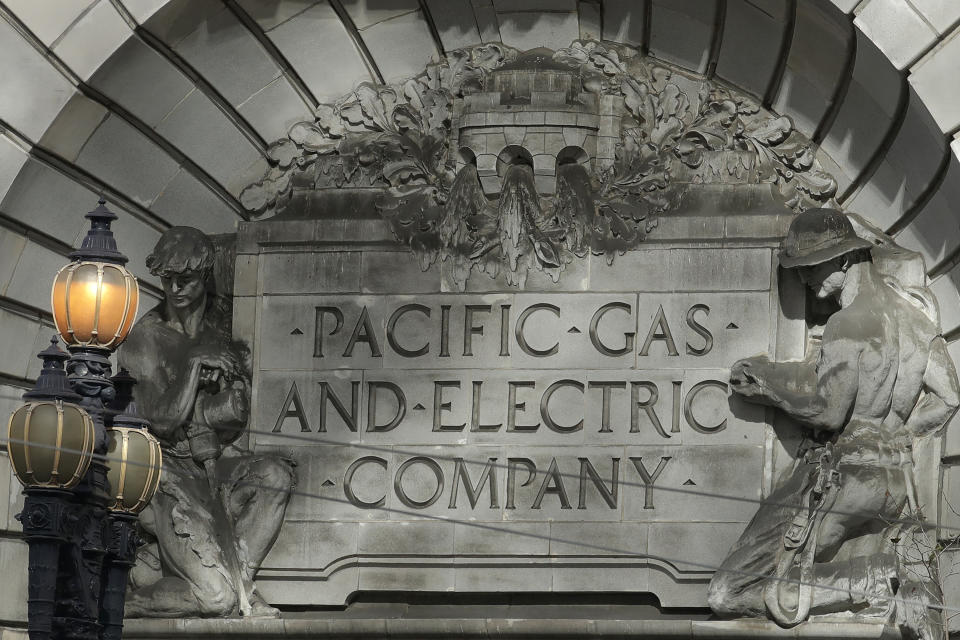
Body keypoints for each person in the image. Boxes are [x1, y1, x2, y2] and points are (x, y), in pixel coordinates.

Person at [708, 209, 959, 638]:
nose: (804, 279)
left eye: (810, 268)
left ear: (843, 259)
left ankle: (877, 577)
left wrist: (768, 390)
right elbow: (949, 397)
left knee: (727, 592)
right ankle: (878, 577)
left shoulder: (847, 325)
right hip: (893, 483)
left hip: (840, 478)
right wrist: (900, 437)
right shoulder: (918, 324)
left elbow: (827, 412)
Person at [119, 227, 294, 618]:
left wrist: (224, 397)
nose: (176, 288)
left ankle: (239, 583)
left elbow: (226, 424)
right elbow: (162, 421)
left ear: (205, 276)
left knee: (275, 476)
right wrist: (195, 366)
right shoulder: (143, 339)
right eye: (168, 279)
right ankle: (127, 600)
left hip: (209, 466)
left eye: (187, 279)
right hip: (165, 474)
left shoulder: (220, 335)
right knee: (216, 600)